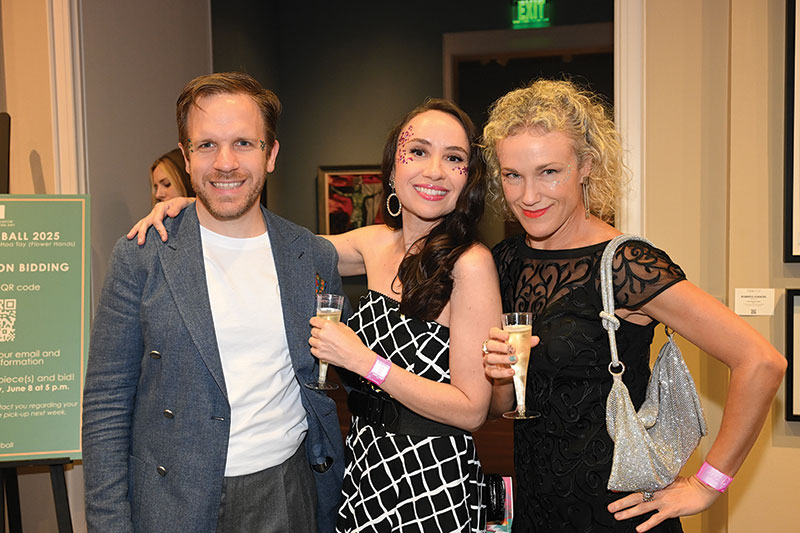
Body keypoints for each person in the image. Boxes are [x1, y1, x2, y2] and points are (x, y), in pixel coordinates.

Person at [129, 99, 501, 533]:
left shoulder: (470, 264)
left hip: (430, 474)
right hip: (366, 463)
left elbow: (471, 410)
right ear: (392, 168)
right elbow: (275, 245)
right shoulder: (374, 243)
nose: (434, 170)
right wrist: (199, 207)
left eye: (453, 158)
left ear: (468, 178)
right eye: (417, 151)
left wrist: (364, 362)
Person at [479, 79, 786, 532]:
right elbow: (499, 407)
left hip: (620, 517)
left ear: (586, 166)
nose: (528, 196)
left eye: (549, 172)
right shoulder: (505, 260)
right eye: (512, 175)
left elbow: (761, 362)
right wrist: (501, 375)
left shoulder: (626, 263)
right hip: (536, 512)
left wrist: (707, 485)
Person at [82, 72, 346, 533]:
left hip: (287, 493)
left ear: (271, 154)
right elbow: (106, 402)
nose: (225, 163)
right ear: (186, 157)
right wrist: (109, 523)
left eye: (244, 143)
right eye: (207, 145)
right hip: (171, 500)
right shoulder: (142, 255)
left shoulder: (312, 256)